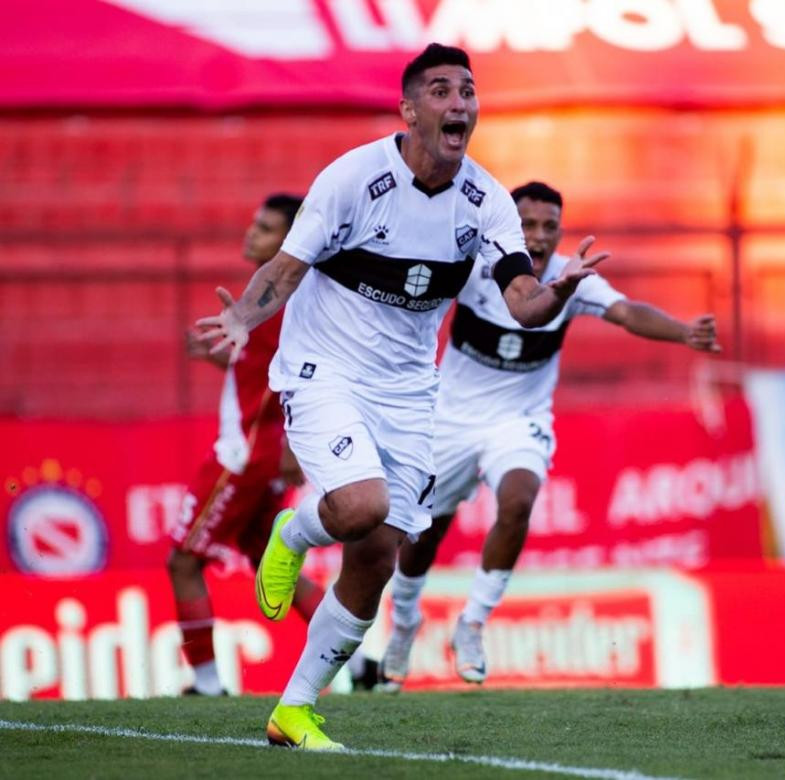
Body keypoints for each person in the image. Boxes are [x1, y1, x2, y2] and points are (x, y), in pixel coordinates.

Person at [194, 44, 606, 751]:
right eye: (442, 91)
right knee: (362, 507)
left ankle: (293, 709)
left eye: (468, 92)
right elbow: (287, 268)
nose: (459, 104)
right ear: (409, 109)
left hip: (411, 387)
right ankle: (293, 534)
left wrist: (559, 292)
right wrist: (242, 318)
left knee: (379, 555)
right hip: (326, 366)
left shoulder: (486, 204)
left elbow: (523, 303)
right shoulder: (354, 179)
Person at [376, 181, 720, 692]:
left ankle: (471, 625)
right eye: (527, 225)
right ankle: (404, 623)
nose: (537, 238)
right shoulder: (478, 267)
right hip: (448, 420)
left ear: (561, 230)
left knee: (517, 500)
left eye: (548, 227)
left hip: (520, 420)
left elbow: (625, 312)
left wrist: (682, 331)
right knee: (421, 534)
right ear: (509, 227)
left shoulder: (569, 276)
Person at [167, 193, 345, 696]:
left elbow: (293, 376)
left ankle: (205, 683)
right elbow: (264, 370)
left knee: (182, 560)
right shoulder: (282, 293)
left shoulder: (281, 296)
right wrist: (221, 359)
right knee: (269, 559)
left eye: (265, 228)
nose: (252, 234)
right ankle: (364, 660)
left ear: (289, 239)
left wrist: (289, 444)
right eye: (254, 224)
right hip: (263, 447)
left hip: (245, 453)